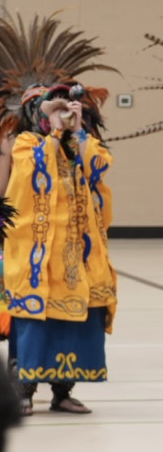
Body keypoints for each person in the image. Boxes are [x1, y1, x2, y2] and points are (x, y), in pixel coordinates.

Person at [3, 82, 116, 416]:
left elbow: (98, 167)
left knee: (77, 321)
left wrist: (77, 131)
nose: (61, 114)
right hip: (37, 255)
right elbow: (31, 173)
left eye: (66, 107)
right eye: (53, 108)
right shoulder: (26, 143)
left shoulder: (83, 142)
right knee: (34, 323)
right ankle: (23, 392)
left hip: (78, 255)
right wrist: (54, 133)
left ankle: (62, 392)